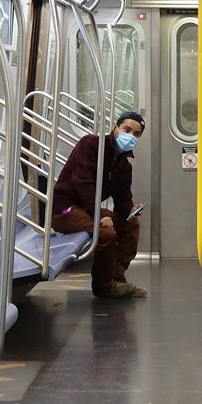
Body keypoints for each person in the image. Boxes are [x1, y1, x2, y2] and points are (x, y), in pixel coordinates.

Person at [53, 112, 147, 299]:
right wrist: (98, 215)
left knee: (131, 225)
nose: (130, 136)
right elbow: (83, 184)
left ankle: (117, 279)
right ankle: (103, 287)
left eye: (136, 134)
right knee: (105, 232)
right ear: (115, 128)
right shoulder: (90, 145)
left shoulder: (124, 167)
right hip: (65, 209)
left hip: (86, 210)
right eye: (127, 129)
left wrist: (130, 210)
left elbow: (122, 199)